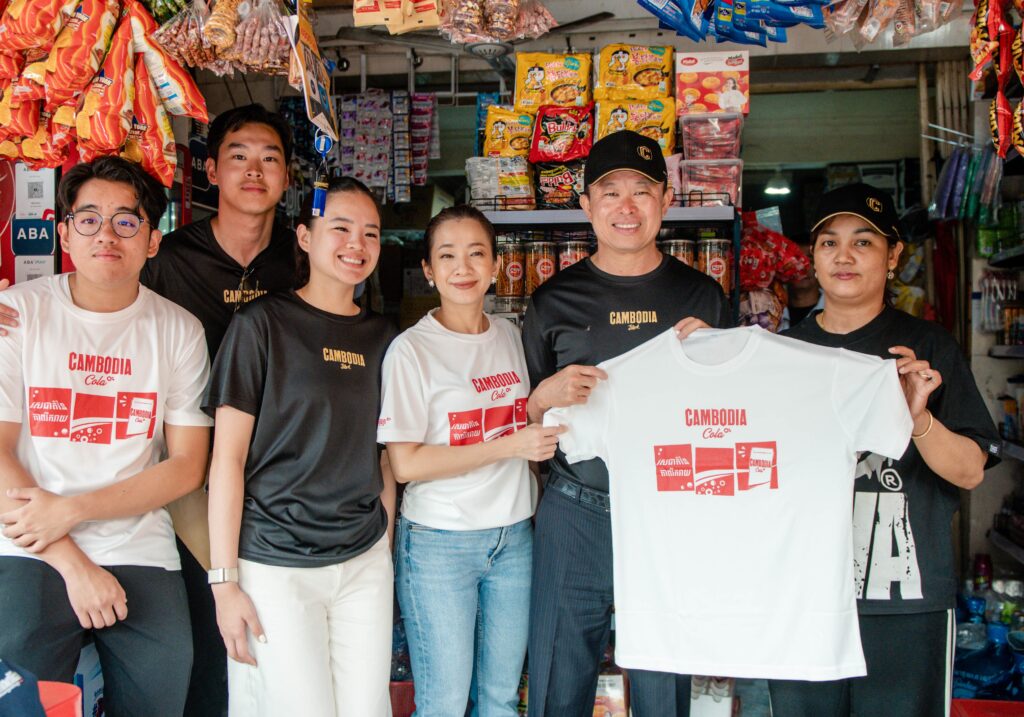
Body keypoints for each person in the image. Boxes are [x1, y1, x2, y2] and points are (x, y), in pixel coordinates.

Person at [767, 183, 1000, 717]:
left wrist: (916, 418)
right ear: (813, 257)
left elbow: (970, 471)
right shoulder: (781, 354)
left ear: (893, 256)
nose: (843, 256)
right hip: (804, 600)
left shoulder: (929, 347)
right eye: (829, 242)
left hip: (906, 604)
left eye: (863, 242)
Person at [523, 130, 731, 717]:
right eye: (610, 191)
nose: (626, 206)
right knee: (558, 682)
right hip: (576, 511)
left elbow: (728, 417)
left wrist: (713, 359)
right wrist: (543, 397)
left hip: (672, 510)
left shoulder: (703, 297)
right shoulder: (551, 302)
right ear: (586, 205)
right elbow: (525, 422)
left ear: (666, 199)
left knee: (664, 690)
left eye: (641, 190)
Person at [0, 156, 212, 716]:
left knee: (167, 686)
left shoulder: (179, 330)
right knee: (21, 698)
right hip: (30, 545)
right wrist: (72, 562)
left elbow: (186, 466)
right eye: (89, 219)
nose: (106, 235)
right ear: (65, 234)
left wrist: (73, 511)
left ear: (152, 240)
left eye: (126, 221)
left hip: (136, 544)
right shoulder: (16, 315)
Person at [204, 177, 397, 716]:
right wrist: (225, 583)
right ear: (306, 237)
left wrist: (383, 543)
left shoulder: (385, 338)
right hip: (276, 563)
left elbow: (384, 455)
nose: (357, 244)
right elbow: (227, 460)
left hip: (362, 561)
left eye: (371, 233)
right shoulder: (260, 325)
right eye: (341, 228)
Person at [378, 205, 565, 717]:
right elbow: (406, 465)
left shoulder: (510, 335)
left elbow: (522, 418)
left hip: (514, 539)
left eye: (476, 253)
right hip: (440, 543)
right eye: (447, 256)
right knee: (444, 703)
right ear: (428, 270)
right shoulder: (411, 351)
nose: (463, 267)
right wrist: (509, 446)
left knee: (501, 699)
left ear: (496, 265)